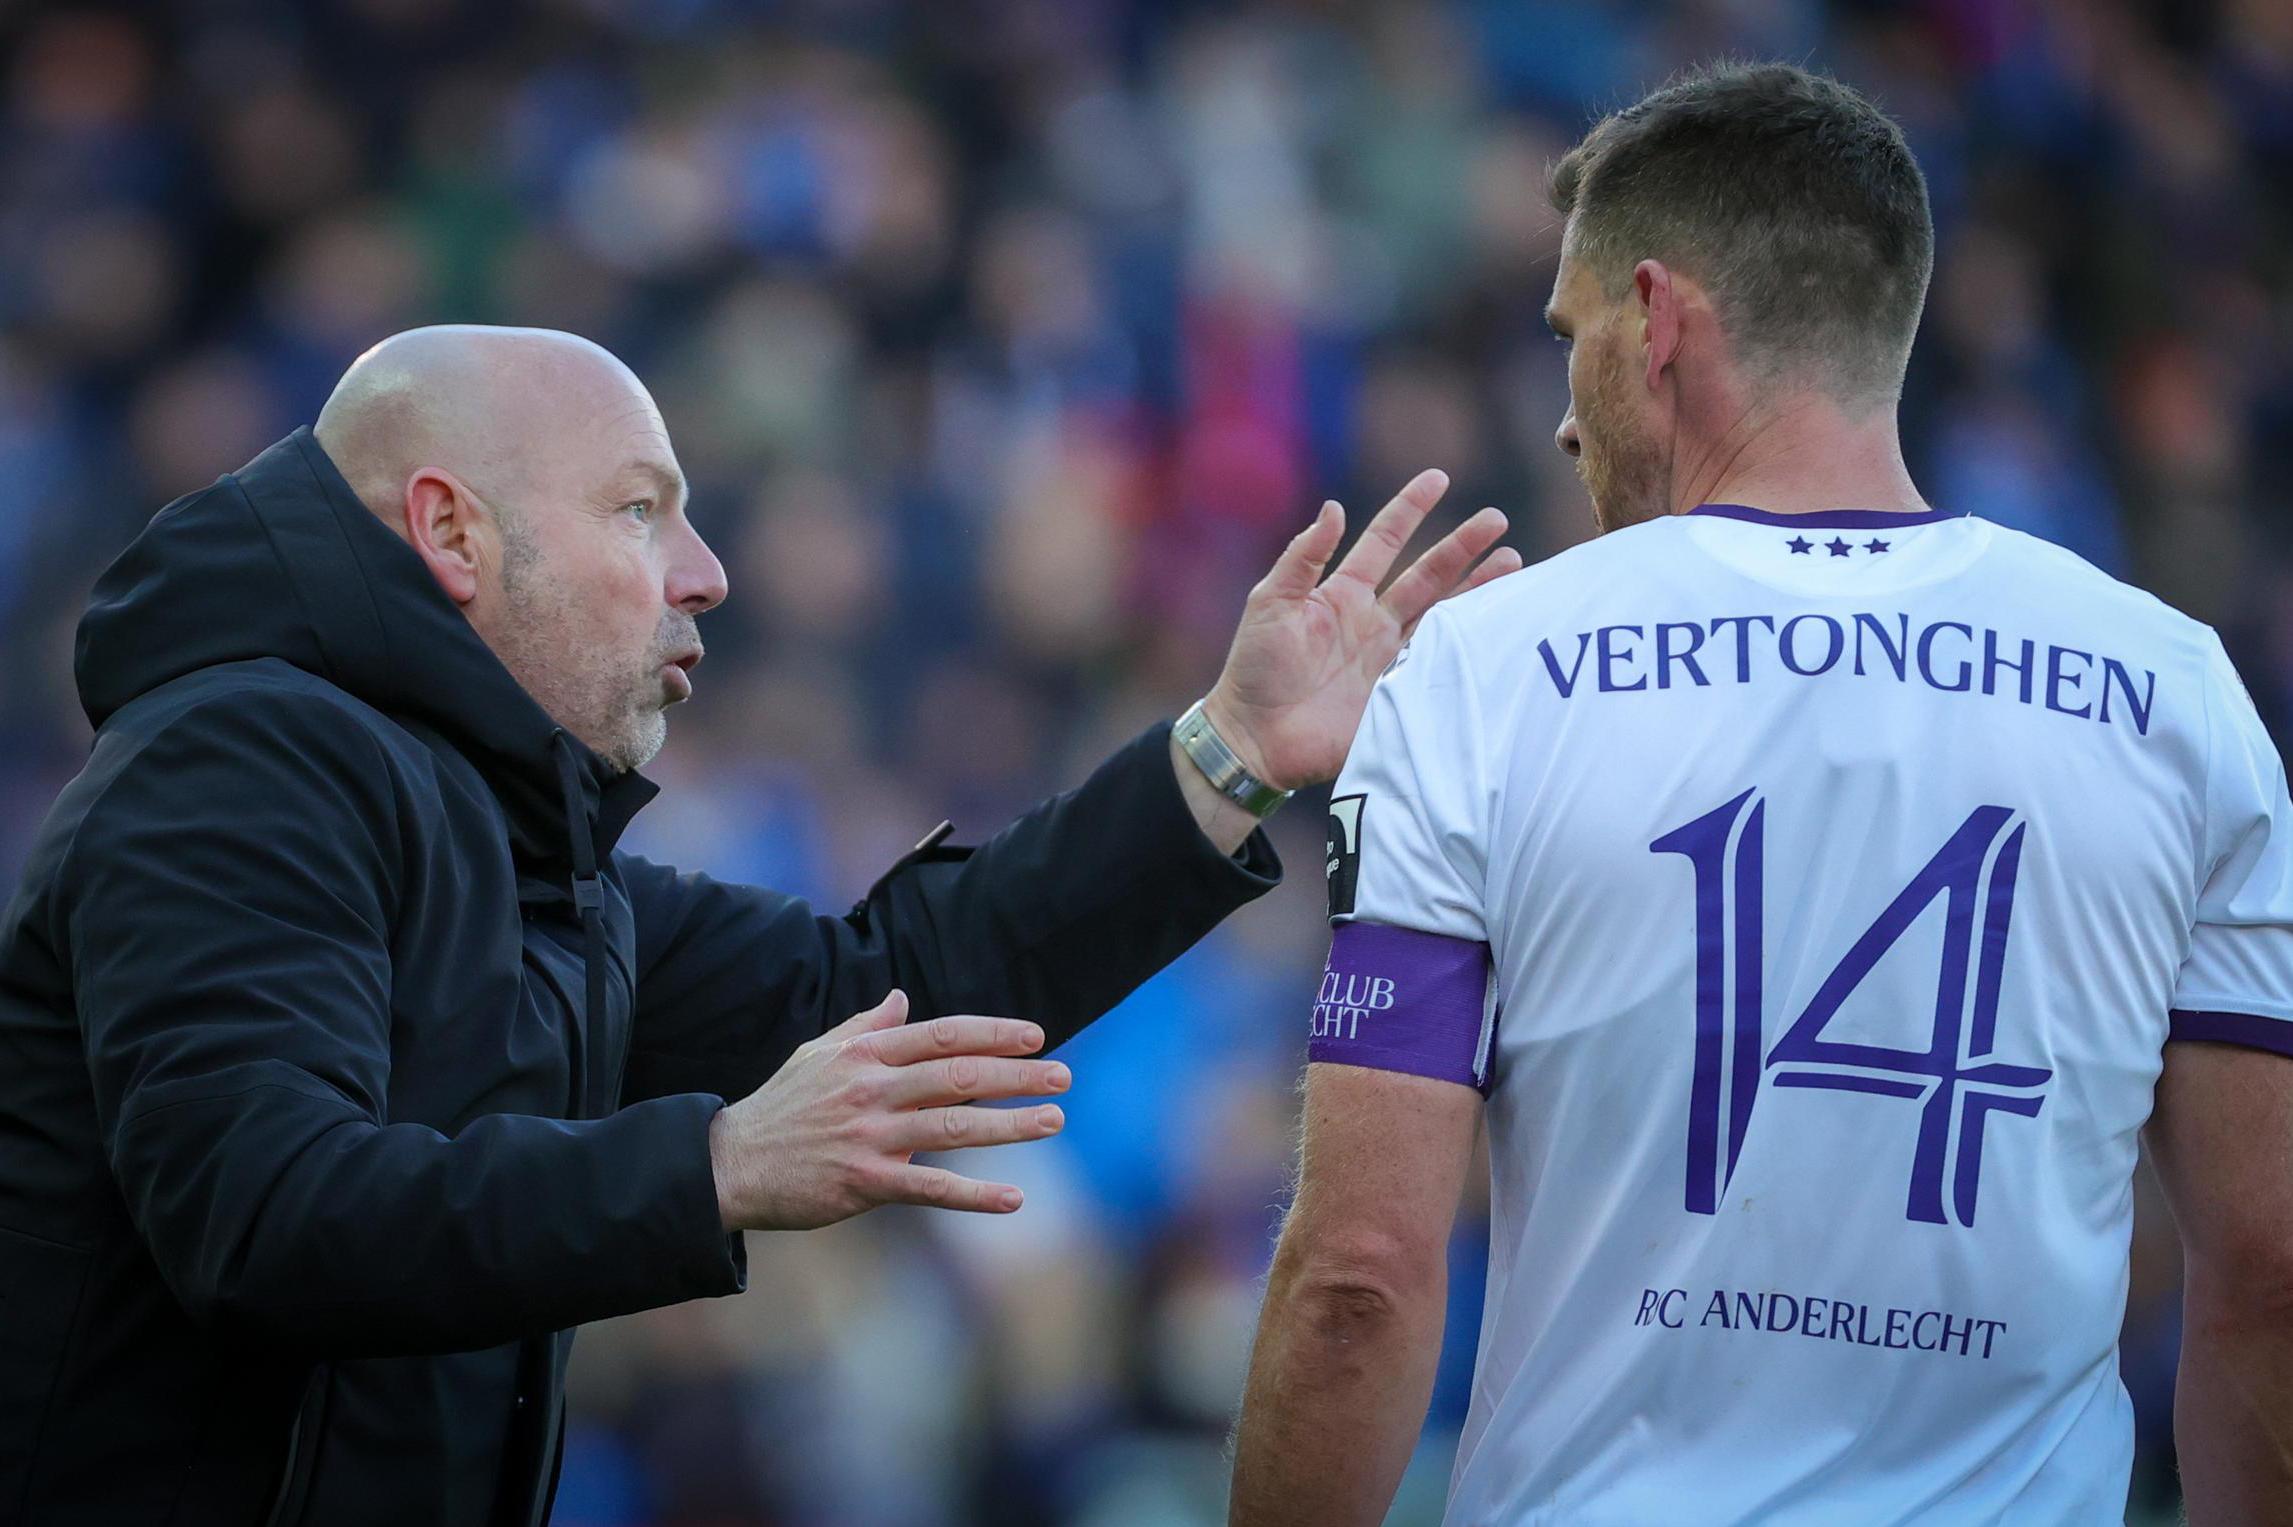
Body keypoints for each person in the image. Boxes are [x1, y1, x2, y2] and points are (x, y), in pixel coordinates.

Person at [0, 324, 1518, 1527]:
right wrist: (713, 1167)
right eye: (640, 512)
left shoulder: (515, 843)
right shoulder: (241, 764)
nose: (703, 575)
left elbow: (875, 987)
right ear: (452, 535)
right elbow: (263, 1215)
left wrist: (1231, 749)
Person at [1230, 62, 2293, 1526]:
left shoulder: (1486, 671)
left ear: (1656, 322)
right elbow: (2275, 1275)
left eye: (1569, 336)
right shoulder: (2171, 692)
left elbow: (1360, 1272)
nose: (1557, 418)